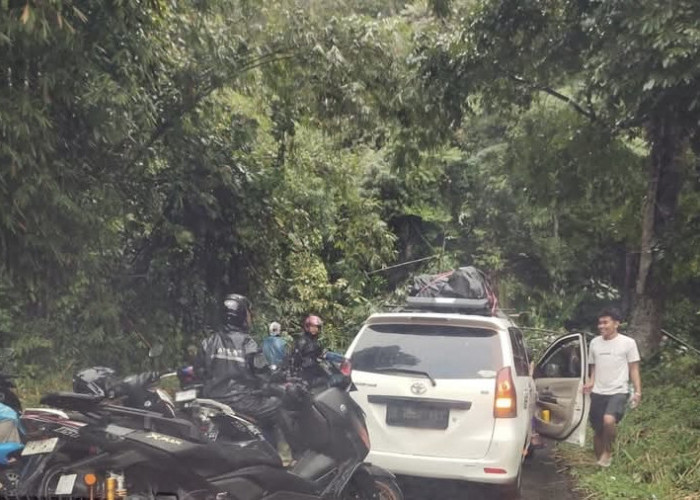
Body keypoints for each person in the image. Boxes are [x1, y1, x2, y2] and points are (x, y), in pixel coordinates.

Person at [193, 293, 284, 446]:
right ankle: (280, 456)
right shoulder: (249, 344)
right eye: (248, 313)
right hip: (243, 403)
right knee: (280, 405)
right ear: (241, 315)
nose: (250, 317)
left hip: (212, 401)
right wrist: (275, 379)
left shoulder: (208, 342)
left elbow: (199, 372)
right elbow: (264, 375)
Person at [583, 308, 641, 467]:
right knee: (598, 431)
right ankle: (600, 462)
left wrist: (637, 391)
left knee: (609, 420)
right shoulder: (594, 343)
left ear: (616, 324)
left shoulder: (628, 343)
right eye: (599, 323)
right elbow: (593, 367)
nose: (601, 326)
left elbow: (634, 368)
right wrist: (591, 382)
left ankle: (608, 452)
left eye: (605, 322)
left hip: (618, 390)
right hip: (598, 392)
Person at [291, 315, 326, 386]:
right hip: (305, 375)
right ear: (307, 327)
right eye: (312, 326)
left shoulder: (314, 341)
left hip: (312, 370)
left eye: (317, 327)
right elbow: (296, 359)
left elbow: (319, 354)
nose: (315, 329)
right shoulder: (302, 341)